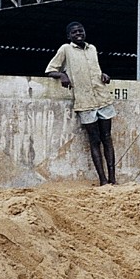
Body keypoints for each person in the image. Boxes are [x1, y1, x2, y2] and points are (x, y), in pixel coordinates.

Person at [46, 22, 117, 185]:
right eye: (74, 32)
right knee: (94, 140)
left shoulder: (92, 49)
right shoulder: (65, 49)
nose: (79, 33)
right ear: (69, 36)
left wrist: (103, 75)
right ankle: (103, 180)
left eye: (81, 31)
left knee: (107, 138)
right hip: (84, 102)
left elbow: (95, 70)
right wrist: (62, 75)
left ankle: (113, 178)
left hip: (102, 98)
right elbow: (50, 69)